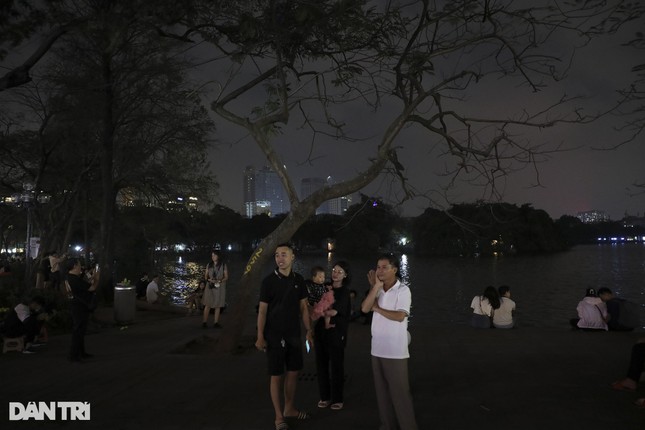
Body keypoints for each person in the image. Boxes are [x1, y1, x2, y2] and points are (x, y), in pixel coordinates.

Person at [255, 243, 314, 430]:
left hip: (294, 334)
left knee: (293, 372)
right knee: (276, 375)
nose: (280, 258)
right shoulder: (268, 282)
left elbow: (304, 307)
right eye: (277, 255)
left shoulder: (299, 280)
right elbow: (262, 311)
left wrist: (309, 329)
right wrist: (259, 336)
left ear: (292, 257)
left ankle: (289, 408)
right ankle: (278, 416)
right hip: (274, 335)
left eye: (284, 254)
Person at [361, 254, 418, 430]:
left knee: (400, 394)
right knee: (382, 394)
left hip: (395, 350)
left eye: (385, 267)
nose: (380, 270)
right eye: (378, 267)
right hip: (377, 348)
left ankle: (408, 426)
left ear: (394, 269)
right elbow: (364, 308)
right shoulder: (377, 289)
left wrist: (377, 308)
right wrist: (375, 287)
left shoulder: (403, 290)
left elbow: (400, 316)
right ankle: (387, 425)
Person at [315, 261, 351, 411]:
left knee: (336, 365)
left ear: (345, 275)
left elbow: (334, 311)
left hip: (336, 332)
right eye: (334, 270)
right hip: (321, 332)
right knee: (321, 365)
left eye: (339, 271)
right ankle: (325, 396)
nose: (335, 273)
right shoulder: (324, 288)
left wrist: (318, 311)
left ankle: (337, 398)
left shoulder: (344, 292)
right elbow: (314, 303)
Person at [65, 258, 99, 362]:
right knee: (78, 331)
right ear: (74, 266)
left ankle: (81, 352)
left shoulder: (70, 278)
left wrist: (91, 278)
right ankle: (74, 355)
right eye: (79, 264)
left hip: (77, 306)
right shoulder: (74, 279)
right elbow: (92, 288)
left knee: (80, 330)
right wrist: (97, 278)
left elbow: (84, 286)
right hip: (79, 307)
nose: (81, 266)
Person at [203, 250, 228, 328]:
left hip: (219, 286)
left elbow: (226, 277)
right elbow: (205, 276)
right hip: (210, 285)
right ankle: (204, 322)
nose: (213, 257)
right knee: (208, 304)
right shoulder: (209, 265)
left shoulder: (223, 265)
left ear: (218, 256)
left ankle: (216, 322)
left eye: (214, 255)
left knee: (218, 304)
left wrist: (219, 280)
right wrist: (209, 280)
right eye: (212, 255)